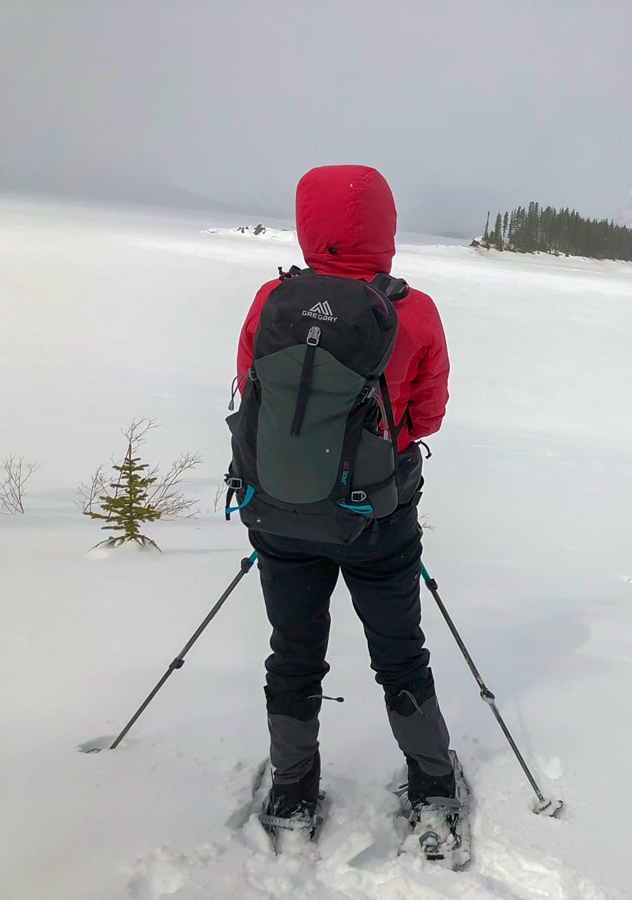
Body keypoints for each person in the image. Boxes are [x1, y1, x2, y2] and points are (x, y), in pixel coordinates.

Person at [234, 164, 455, 826]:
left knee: (294, 650)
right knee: (399, 652)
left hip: (280, 513)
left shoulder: (270, 302)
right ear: (385, 224)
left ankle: (292, 788)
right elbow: (428, 413)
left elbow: (253, 388)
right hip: (377, 519)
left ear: (309, 225)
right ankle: (433, 783)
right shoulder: (412, 310)